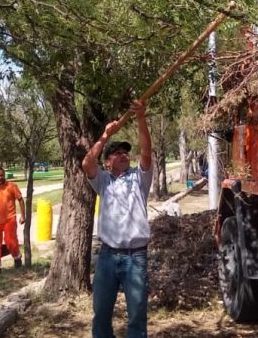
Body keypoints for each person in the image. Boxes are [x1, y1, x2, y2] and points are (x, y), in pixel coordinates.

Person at [82, 100, 152, 338]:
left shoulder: (139, 179)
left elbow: (146, 152)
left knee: (137, 317)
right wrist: (104, 136)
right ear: (107, 162)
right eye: (117, 152)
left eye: (125, 152)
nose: (123, 154)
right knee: (101, 315)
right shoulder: (103, 181)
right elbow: (86, 163)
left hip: (136, 258)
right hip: (107, 258)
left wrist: (140, 117)